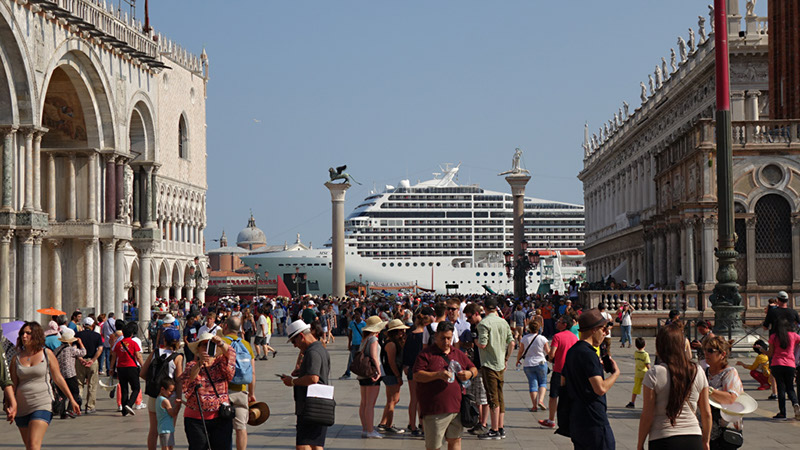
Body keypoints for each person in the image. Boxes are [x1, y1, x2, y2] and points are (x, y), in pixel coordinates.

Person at [636, 322, 712, 450]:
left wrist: (640, 444)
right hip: (693, 437)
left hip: (663, 437)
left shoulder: (654, 373)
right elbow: (706, 413)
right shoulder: (698, 371)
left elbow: (647, 414)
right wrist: (706, 441)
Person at [10, 322, 80, 450]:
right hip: (22, 406)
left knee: (33, 445)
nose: (24, 336)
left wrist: (72, 399)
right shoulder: (16, 358)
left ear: (36, 335)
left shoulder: (46, 354)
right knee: (29, 446)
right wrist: (10, 403)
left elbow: (58, 378)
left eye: (28, 333)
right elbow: (13, 385)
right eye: (22, 333)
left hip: (42, 403)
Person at [412, 321, 477, 450]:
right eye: (443, 338)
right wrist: (437, 375)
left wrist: (469, 374)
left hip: (456, 408)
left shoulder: (457, 353)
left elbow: (473, 368)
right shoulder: (426, 354)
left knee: (455, 441)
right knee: (434, 445)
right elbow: (417, 375)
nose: (446, 342)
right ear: (436, 336)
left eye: (449, 338)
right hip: (435, 410)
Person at [561, 308, 620, 449]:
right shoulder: (589, 354)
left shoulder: (572, 351)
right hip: (593, 419)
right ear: (594, 330)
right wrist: (615, 373)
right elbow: (600, 388)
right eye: (603, 329)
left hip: (576, 418)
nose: (605, 333)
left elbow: (563, 382)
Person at [281, 319, 331, 450]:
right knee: (315, 444)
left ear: (301, 336)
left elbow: (313, 378)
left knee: (303, 445)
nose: (295, 346)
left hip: (310, 405)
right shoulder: (319, 348)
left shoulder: (312, 352)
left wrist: (292, 381)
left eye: (294, 341)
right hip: (320, 404)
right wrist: (302, 372)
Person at [181, 331, 235, 450]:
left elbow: (231, 355)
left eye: (210, 345)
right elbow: (187, 382)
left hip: (220, 416)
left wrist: (221, 343)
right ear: (198, 349)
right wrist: (200, 363)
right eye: (203, 345)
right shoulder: (192, 365)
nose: (206, 348)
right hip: (195, 418)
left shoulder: (221, 364)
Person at [476, 296, 514, 440]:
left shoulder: (484, 323)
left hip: (488, 363)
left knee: (492, 396)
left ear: (484, 308)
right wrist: (506, 359)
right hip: (500, 364)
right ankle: (501, 427)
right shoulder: (503, 322)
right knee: (499, 395)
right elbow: (511, 343)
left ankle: (494, 429)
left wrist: (475, 341)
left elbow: (483, 344)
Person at [141, 327, 184, 450]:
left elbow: (142, 373)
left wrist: (155, 382)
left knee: (153, 430)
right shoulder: (177, 357)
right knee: (168, 429)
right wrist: (179, 398)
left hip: (155, 395)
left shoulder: (155, 353)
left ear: (164, 340)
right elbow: (179, 380)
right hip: (170, 396)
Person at [221, 316, 257, 450]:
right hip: (241, 391)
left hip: (223, 391)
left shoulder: (222, 343)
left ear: (226, 326)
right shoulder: (246, 345)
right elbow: (252, 372)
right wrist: (251, 393)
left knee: (223, 427)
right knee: (241, 427)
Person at [538, 315, 578, 429]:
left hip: (559, 370)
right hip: (571, 370)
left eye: (559, 322)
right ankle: (570, 419)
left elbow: (552, 354)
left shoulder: (557, 336)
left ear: (564, 325)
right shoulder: (574, 337)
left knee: (554, 395)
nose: (557, 323)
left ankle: (551, 420)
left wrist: (550, 358)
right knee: (569, 395)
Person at [704, 336, 744, 449]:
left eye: (710, 350)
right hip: (707, 430)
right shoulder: (704, 372)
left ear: (722, 354)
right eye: (705, 350)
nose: (706, 353)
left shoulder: (729, 373)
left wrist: (708, 390)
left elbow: (731, 398)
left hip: (724, 431)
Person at [402, 308, 430, 436]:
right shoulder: (425, 336)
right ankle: (422, 425)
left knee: (413, 399)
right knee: (422, 398)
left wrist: (405, 366)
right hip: (422, 369)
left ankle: (412, 425)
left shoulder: (411, 335)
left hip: (411, 368)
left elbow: (406, 352)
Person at [357, 315, 386, 439]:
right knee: (370, 404)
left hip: (363, 373)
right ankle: (370, 430)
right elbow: (374, 357)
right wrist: (379, 372)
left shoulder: (364, 339)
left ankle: (365, 428)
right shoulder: (373, 339)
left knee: (364, 403)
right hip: (372, 373)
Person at [377, 319, 408, 434]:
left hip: (391, 373)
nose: (403, 332)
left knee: (393, 399)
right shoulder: (391, 344)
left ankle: (383, 422)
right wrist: (398, 376)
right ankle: (388, 425)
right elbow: (391, 362)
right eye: (400, 330)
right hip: (391, 374)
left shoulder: (392, 342)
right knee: (392, 400)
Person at [767, 318, 800, 419]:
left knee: (781, 388)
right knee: (790, 387)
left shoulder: (773, 337)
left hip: (777, 364)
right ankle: (795, 403)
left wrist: (762, 350)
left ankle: (782, 412)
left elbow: (770, 353)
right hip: (790, 364)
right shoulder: (793, 335)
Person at [110, 322, 143, 416]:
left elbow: (114, 357)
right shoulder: (133, 343)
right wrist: (143, 366)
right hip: (131, 367)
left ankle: (124, 411)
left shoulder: (118, 344)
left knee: (124, 389)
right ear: (132, 334)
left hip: (120, 368)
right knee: (136, 388)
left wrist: (111, 368)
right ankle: (129, 404)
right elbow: (138, 356)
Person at [515, 320, 549, 412]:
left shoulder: (524, 338)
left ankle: (534, 406)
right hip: (541, 362)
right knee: (543, 382)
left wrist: (518, 360)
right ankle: (541, 400)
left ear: (529, 328)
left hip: (528, 363)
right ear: (539, 328)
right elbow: (548, 351)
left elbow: (521, 351)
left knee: (532, 384)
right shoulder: (542, 338)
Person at [54, 328, 86, 417]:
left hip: (60, 374)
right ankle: (70, 409)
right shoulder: (71, 349)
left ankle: (62, 412)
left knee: (62, 393)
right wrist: (80, 343)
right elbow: (83, 352)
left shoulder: (57, 350)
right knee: (75, 391)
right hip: (70, 373)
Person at [74, 317, 103, 414]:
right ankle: (90, 407)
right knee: (92, 385)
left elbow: (74, 348)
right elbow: (100, 349)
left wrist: (80, 358)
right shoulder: (97, 336)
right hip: (92, 361)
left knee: (79, 384)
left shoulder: (78, 335)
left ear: (83, 325)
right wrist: (93, 360)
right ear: (92, 326)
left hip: (80, 361)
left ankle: (77, 405)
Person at [156, 379, 182, 450]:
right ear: (162, 389)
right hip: (165, 429)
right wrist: (178, 405)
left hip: (166, 428)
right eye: (170, 391)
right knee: (166, 447)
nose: (171, 393)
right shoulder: (165, 401)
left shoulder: (158, 398)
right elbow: (173, 414)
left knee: (169, 447)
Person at [627, 337, 651, 408]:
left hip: (638, 373)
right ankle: (647, 403)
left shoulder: (636, 353)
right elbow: (647, 364)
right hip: (645, 373)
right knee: (647, 388)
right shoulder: (645, 354)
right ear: (645, 345)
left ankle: (632, 402)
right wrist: (651, 370)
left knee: (636, 388)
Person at [340, 312, 366, 380]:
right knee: (351, 359)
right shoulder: (352, 323)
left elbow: (365, 334)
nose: (356, 315)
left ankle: (362, 373)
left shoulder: (363, 324)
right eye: (356, 314)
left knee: (361, 359)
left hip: (361, 344)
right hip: (354, 343)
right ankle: (347, 373)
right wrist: (349, 344)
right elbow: (350, 334)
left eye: (358, 314)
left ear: (360, 315)